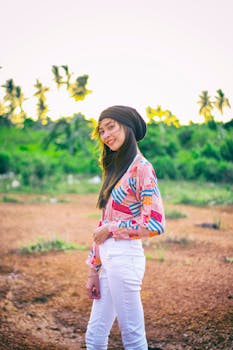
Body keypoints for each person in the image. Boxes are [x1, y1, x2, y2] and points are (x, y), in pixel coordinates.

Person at [85, 105, 165, 350]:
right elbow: (103, 224)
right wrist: (93, 270)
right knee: (94, 335)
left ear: (127, 127)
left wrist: (112, 228)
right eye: (102, 130)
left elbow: (154, 223)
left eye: (111, 127)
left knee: (132, 336)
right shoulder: (117, 170)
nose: (106, 135)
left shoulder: (142, 168)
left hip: (125, 256)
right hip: (109, 260)